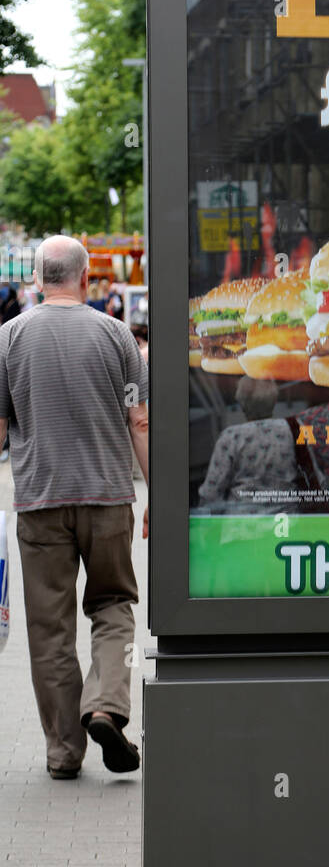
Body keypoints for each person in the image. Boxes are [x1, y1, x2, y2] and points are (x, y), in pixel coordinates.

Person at [0, 235, 149, 779]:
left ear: (37, 280)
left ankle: (64, 753)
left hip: (39, 501)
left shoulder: (8, 339)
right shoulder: (117, 336)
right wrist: (153, 492)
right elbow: (140, 421)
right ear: (87, 279)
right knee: (113, 606)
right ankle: (106, 706)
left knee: (50, 629)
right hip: (109, 496)